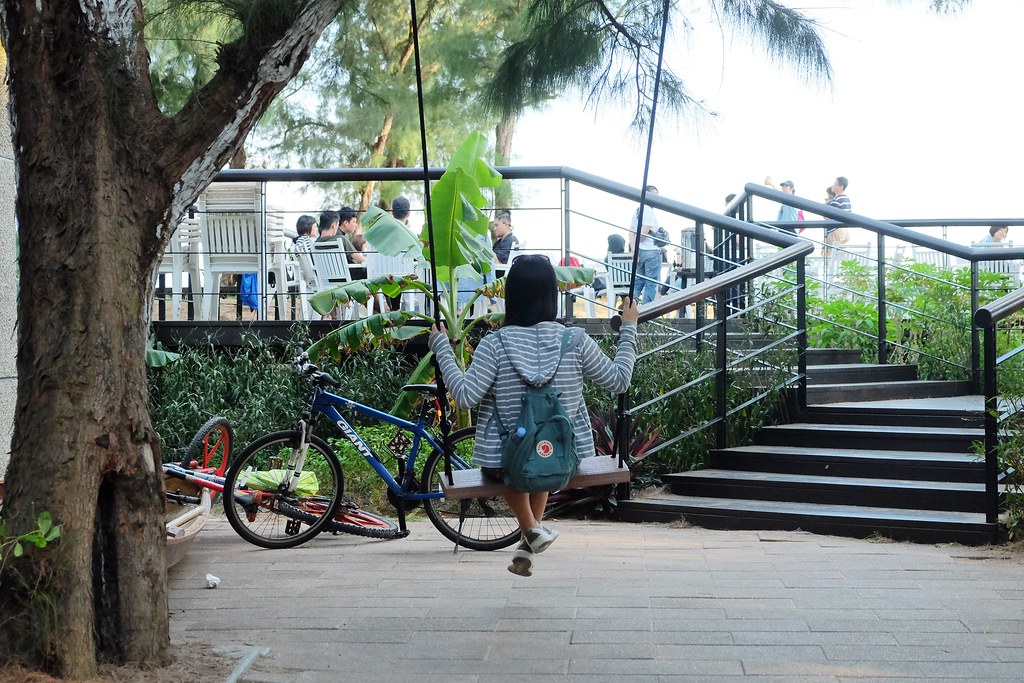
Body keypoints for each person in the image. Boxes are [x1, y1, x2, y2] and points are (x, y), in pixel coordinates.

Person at [428, 254, 639, 577]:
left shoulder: (494, 345)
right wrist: (629, 328)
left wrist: (441, 347)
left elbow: (466, 396)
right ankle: (530, 540)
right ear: (551, 295)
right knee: (540, 450)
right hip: (562, 460)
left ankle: (532, 530)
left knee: (514, 460)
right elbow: (619, 379)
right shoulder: (575, 340)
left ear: (511, 297)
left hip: (505, 464)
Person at [629, 185, 663, 304]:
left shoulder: (637, 211)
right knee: (651, 283)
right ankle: (647, 311)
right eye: (653, 195)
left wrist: (634, 251)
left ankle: (630, 308)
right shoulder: (648, 210)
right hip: (651, 251)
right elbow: (645, 231)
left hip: (640, 252)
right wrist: (641, 238)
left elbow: (631, 233)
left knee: (639, 281)